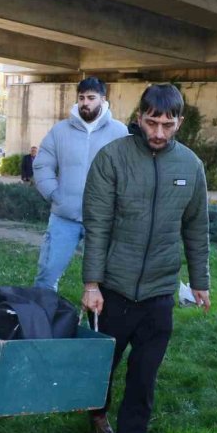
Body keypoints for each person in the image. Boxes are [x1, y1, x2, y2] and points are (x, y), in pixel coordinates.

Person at [81, 84, 210, 433]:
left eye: (167, 124)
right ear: (138, 118)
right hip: (112, 289)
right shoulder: (112, 158)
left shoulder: (190, 166)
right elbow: (97, 225)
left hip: (158, 292)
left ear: (179, 123)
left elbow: (196, 226)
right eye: (151, 122)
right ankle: (96, 412)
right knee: (102, 366)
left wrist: (201, 281)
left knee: (144, 376)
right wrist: (91, 283)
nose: (158, 132)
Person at [33, 77, 128, 291]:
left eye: (91, 98)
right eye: (82, 98)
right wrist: (54, 194)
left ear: (103, 100)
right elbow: (42, 164)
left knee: (106, 280)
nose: (85, 103)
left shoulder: (119, 133)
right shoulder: (60, 131)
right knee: (46, 276)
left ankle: (98, 324)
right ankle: (42, 320)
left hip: (103, 220)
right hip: (64, 217)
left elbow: (129, 173)